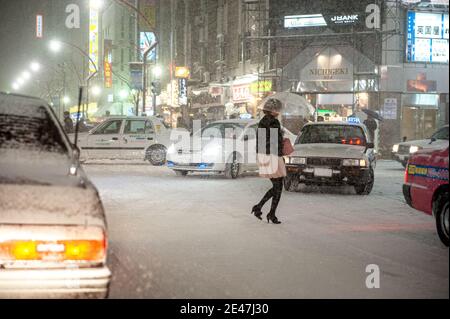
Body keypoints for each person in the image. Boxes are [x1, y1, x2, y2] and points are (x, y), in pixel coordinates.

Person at [252, 99, 286, 224]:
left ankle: (261, 208)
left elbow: (263, 141)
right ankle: (269, 213)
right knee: (278, 186)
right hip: (272, 156)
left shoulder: (263, 121)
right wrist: (281, 136)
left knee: (276, 186)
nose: (279, 111)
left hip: (264, 156)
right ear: (274, 109)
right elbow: (273, 142)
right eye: (278, 109)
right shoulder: (274, 122)